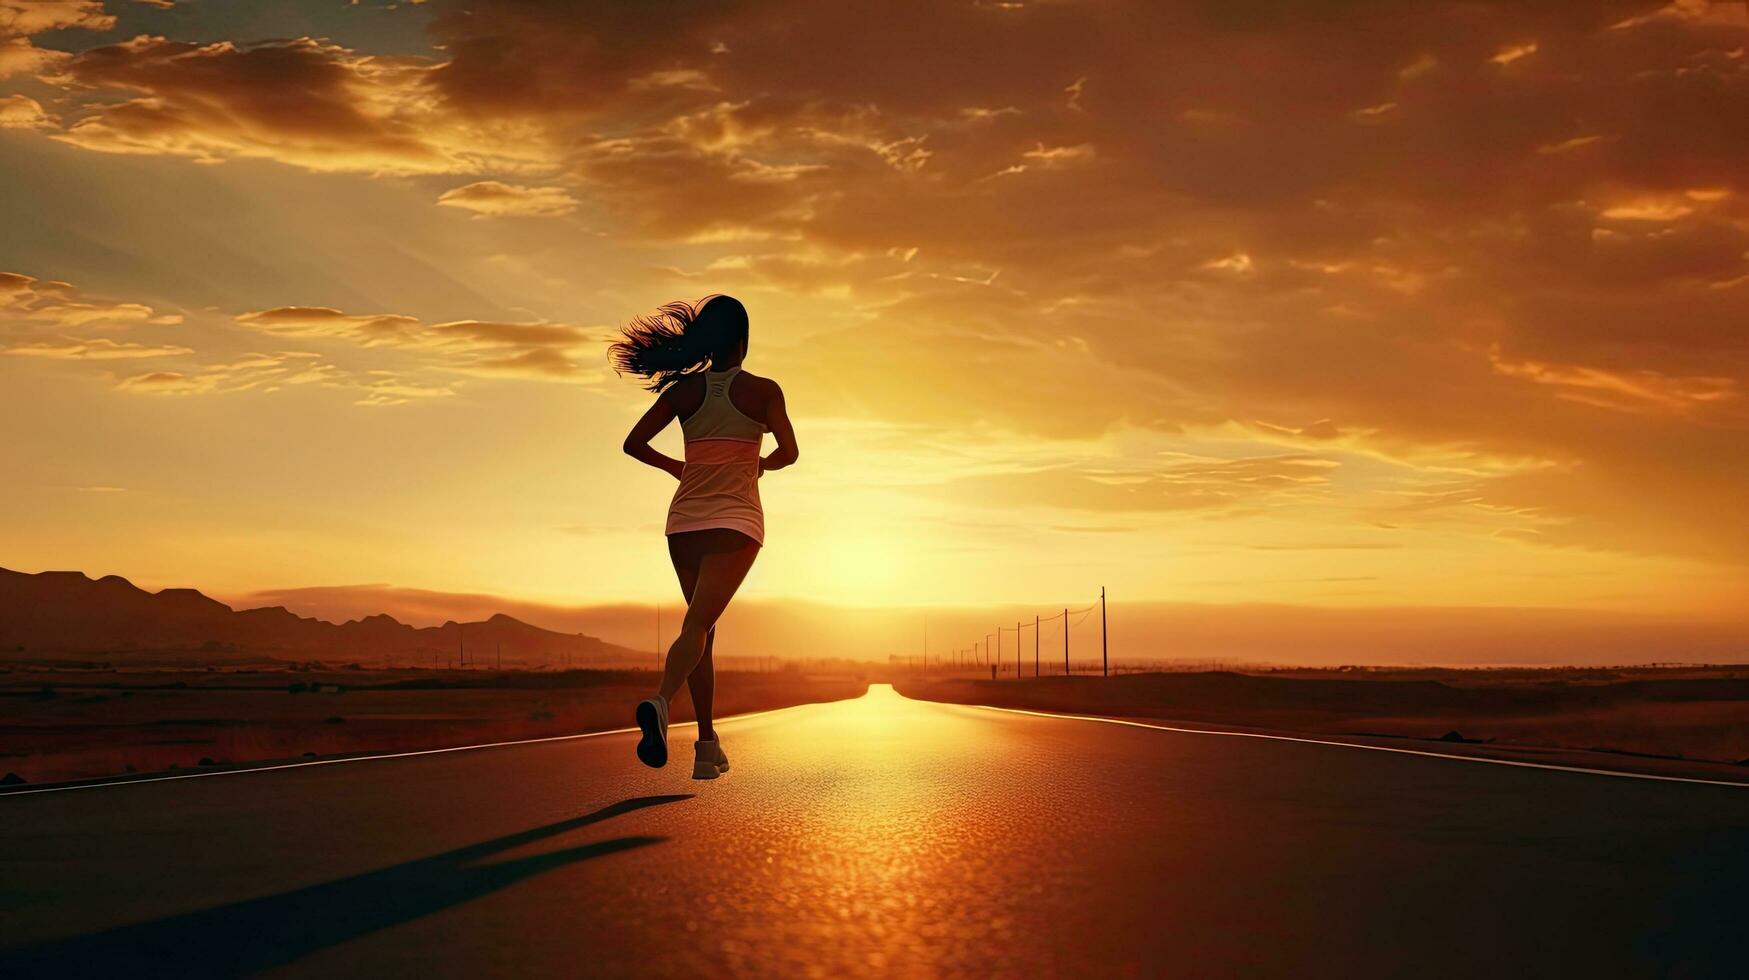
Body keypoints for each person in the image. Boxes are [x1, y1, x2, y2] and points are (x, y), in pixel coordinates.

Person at [610, 295, 799, 779]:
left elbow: (634, 444)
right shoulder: (763, 390)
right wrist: (760, 464)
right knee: (697, 629)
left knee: (701, 632)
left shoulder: (683, 392)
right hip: (735, 523)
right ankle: (660, 700)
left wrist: (679, 467)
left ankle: (706, 746)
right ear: (743, 341)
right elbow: (789, 452)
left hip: (684, 522)